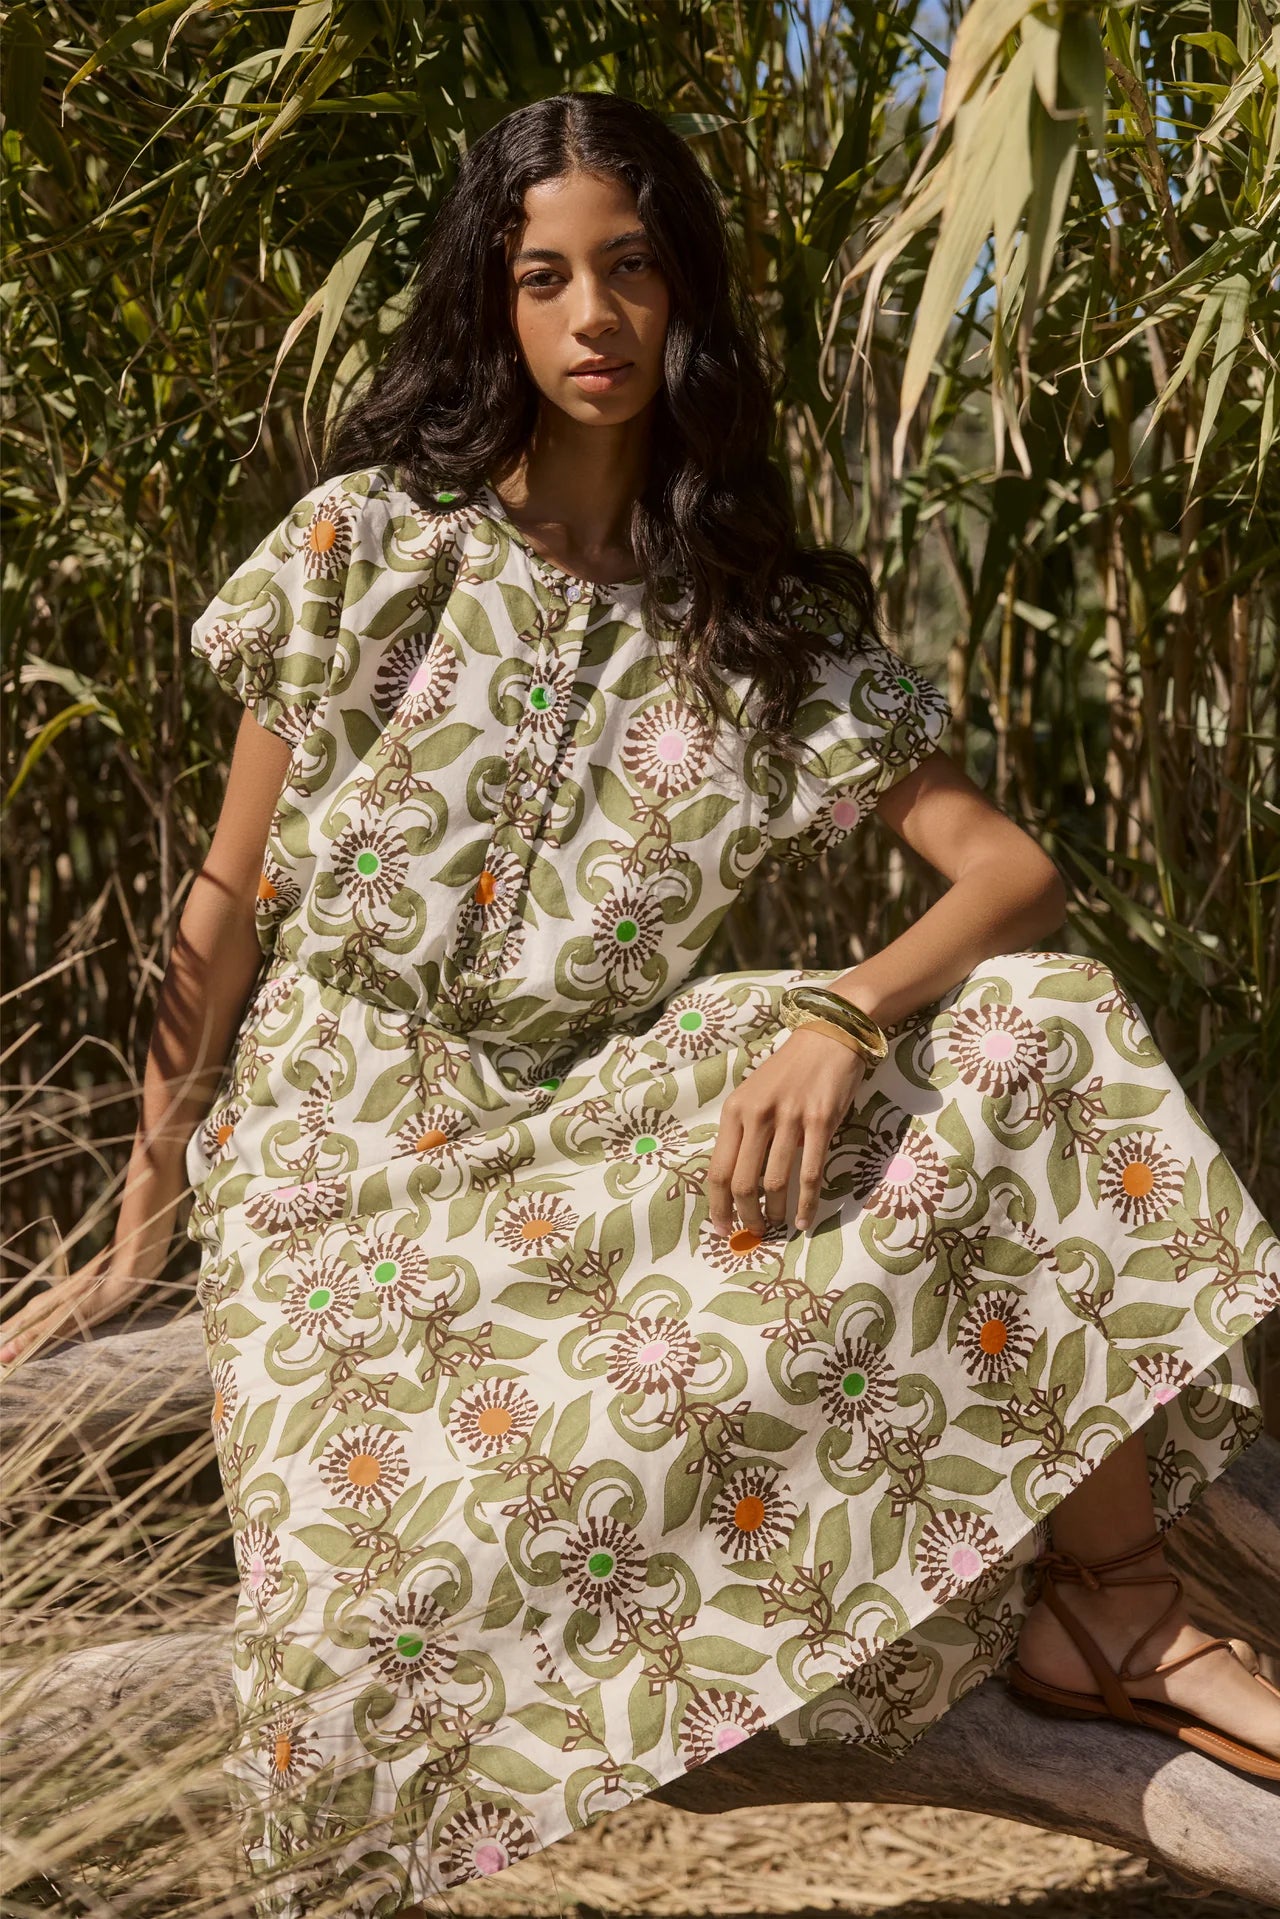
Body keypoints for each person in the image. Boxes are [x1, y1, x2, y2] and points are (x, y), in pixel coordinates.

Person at [3, 89, 1277, 1919]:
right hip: (345, 1160)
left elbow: (1012, 878)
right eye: (545, 276)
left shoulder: (749, 618)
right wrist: (143, 1214)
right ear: (495, 306)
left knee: (1039, 1023)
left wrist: (839, 1013)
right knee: (402, 1585)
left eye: (631, 269)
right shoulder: (371, 546)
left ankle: (1117, 1609)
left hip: (589, 1123)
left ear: (683, 301)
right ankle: (1066, 1615)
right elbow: (225, 893)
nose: (592, 314)